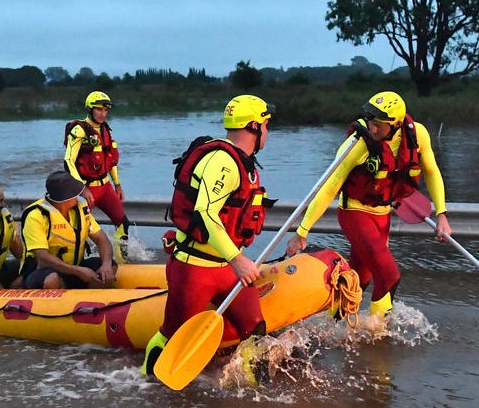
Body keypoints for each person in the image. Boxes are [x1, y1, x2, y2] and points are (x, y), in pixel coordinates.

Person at [285, 91, 453, 320]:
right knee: (389, 274)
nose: (372, 128)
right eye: (371, 122)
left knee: (359, 277)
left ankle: (331, 326)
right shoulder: (357, 144)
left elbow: (432, 172)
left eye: (379, 125)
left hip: (382, 215)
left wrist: (441, 214)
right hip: (354, 212)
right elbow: (329, 187)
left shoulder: (418, 135)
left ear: (396, 125)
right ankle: (378, 336)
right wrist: (302, 231)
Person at [141, 94, 275, 376]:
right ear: (253, 126)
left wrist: (233, 261)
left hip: (225, 268)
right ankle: (147, 385)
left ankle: (254, 395)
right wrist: (238, 259)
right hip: (194, 268)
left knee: (255, 330)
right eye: (265, 124)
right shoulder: (223, 163)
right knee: (172, 335)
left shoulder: (243, 162)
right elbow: (205, 213)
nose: (267, 131)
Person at [63, 90, 132, 260]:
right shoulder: (79, 130)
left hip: (105, 187)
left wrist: (117, 184)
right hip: (86, 190)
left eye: (106, 110)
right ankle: (79, 261)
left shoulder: (106, 130)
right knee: (79, 228)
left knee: (123, 222)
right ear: (90, 109)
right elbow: (68, 161)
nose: (103, 114)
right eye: (99, 110)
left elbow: (110, 161)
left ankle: (122, 261)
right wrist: (81, 189)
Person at [19, 170, 117, 289]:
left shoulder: (81, 209)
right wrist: (79, 271)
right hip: (42, 271)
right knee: (52, 279)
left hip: (75, 267)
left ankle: (92, 302)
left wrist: (106, 264)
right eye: (76, 193)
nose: (79, 195)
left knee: (110, 266)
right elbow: (42, 257)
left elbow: (101, 238)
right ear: (65, 197)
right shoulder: (36, 216)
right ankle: (60, 304)